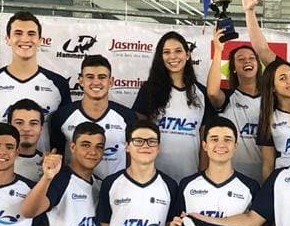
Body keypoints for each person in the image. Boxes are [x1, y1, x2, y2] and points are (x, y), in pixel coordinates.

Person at [0, 11, 73, 150]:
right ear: (8, 39)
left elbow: (63, 133)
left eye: (31, 34)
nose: (25, 39)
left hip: (43, 168)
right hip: (2, 165)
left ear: (40, 40)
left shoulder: (58, 84)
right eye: (18, 33)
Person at [133, 31, 209, 180]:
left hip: (190, 178)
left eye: (178, 51)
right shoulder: (150, 89)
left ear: (187, 55)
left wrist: (202, 176)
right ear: (161, 57)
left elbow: (204, 139)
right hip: (154, 178)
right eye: (166, 52)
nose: (173, 57)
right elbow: (137, 133)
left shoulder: (201, 93)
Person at [48, 54, 134, 180]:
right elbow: (56, 157)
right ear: (81, 81)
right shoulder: (62, 116)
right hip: (74, 191)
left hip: (114, 191)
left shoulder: (127, 117)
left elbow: (133, 160)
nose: (96, 82)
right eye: (90, 77)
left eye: (102, 77)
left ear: (111, 82)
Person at [204, 35, 263, 180]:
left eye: (251, 58)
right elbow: (212, 92)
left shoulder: (271, 99)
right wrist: (218, 50)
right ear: (234, 68)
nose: (247, 61)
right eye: (241, 59)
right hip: (232, 178)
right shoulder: (229, 97)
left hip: (264, 176)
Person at [7, 99, 46, 183]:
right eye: (19, 123)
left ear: (41, 128)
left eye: (33, 123)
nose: (26, 129)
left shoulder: (48, 164)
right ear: (9, 126)